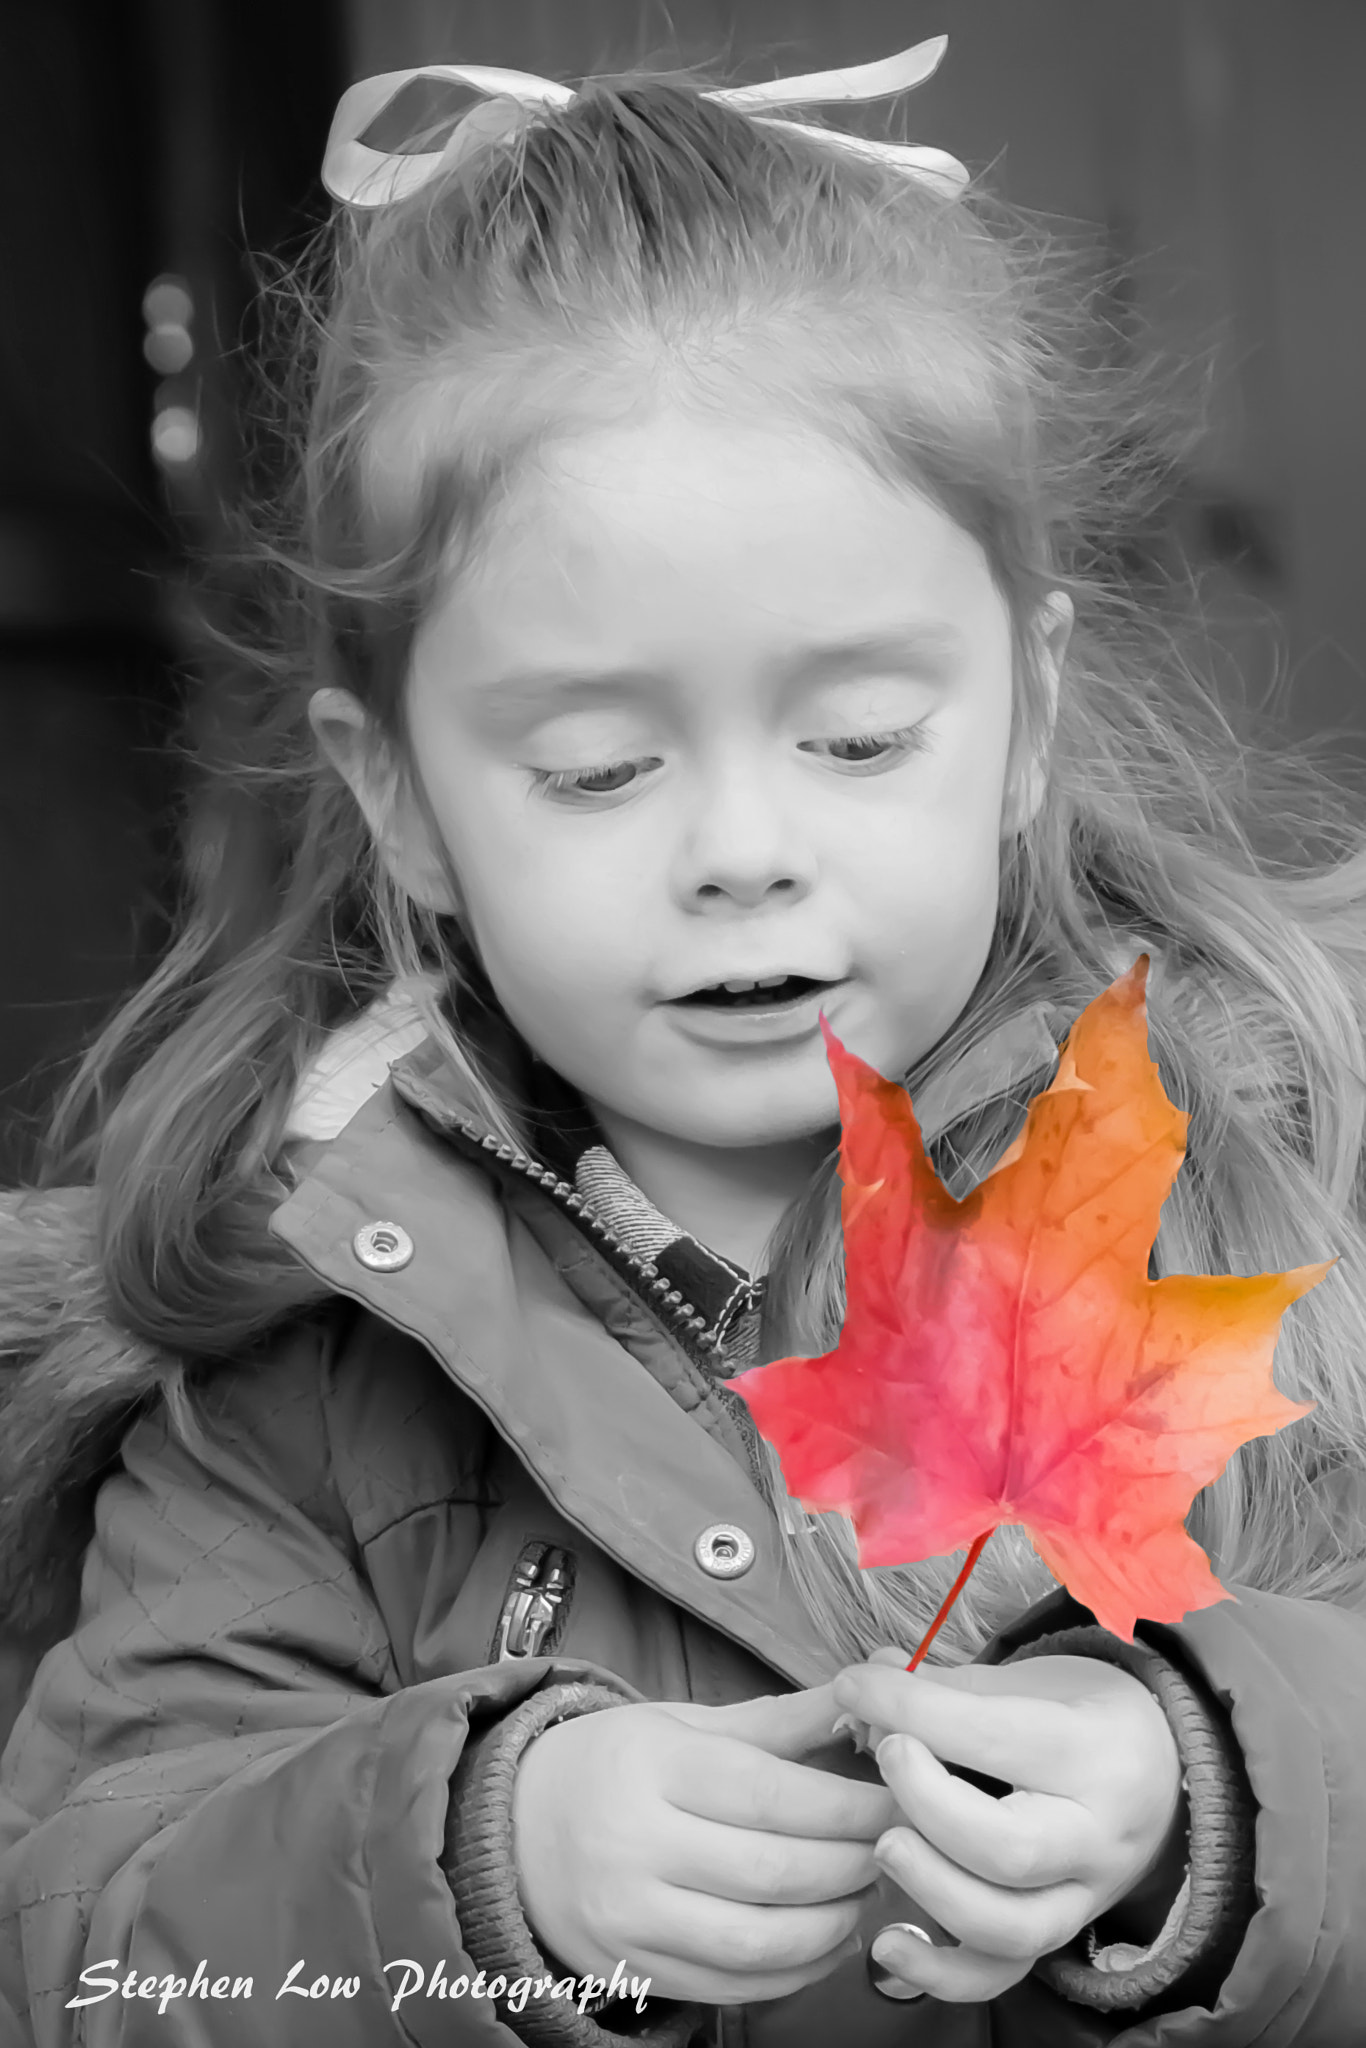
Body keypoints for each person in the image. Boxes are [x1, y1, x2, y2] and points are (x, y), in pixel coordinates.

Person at [1, 36, 1364, 2048]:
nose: (741, 848)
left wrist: (1208, 1790)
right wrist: (479, 1855)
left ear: (1026, 712)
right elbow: (96, 1961)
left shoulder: (1264, 1209)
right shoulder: (294, 1365)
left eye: (853, 741)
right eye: (597, 764)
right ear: (393, 800)